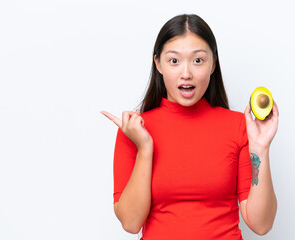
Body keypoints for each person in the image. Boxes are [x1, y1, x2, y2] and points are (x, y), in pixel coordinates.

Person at [101, 13, 278, 240]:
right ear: (158, 64)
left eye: (198, 60)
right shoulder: (134, 131)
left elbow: (261, 225)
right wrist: (145, 147)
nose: (186, 74)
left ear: (213, 63)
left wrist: (261, 148)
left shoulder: (239, 126)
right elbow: (131, 222)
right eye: (174, 61)